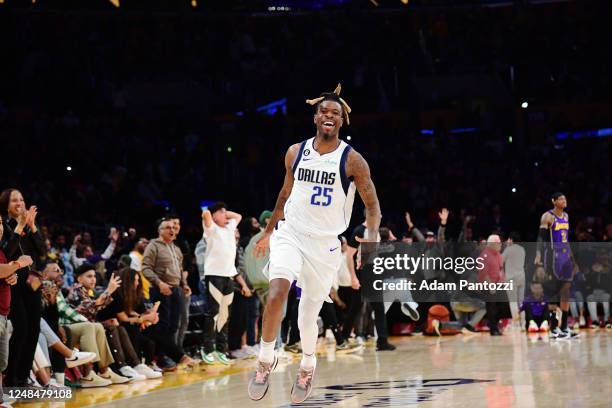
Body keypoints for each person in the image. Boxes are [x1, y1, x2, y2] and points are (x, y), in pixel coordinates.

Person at [248, 84, 382, 403]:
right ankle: (265, 359)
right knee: (278, 291)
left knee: (308, 316)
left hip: (324, 246)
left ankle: (308, 364)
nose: (329, 116)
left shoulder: (353, 160)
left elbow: (373, 206)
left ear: (341, 120)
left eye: (335, 113)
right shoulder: (295, 152)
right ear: (315, 116)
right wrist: (268, 232)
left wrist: (371, 241)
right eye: (324, 111)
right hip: (290, 233)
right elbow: (284, 195)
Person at [0, 189, 46, 389]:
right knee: (21, 329)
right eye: (14, 200)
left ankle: (24, 377)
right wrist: (19, 226)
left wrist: (33, 227)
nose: (19, 203)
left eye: (21, 199)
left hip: (32, 284)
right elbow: (7, 252)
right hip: (13, 285)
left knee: (34, 329)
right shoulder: (3, 225)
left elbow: (42, 254)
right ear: (6, 204)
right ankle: (11, 379)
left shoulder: (28, 226)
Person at [142, 219, 198, 370]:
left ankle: (168, 356)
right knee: (162, 327)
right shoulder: (153, 246)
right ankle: (163, 359)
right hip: (161, 289)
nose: (171, 230)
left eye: (173, 227)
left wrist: (184, 285)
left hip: (176, 290)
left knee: (174, 326)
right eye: (167, 228)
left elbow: (179, 270)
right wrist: (159, 283)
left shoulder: (176, 248)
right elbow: (146, 268)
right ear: (160, 231)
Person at [201, 203, 251, 365]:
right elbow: (206, 214)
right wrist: (213, 213)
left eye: (225, 212)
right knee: (213, 313)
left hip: (229, 276)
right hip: (214, 276)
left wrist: (224, 212)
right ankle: (207, 348)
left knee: (224, 314)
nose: (226, 215)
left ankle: (221, 349)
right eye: (221, 213)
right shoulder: (211, 230)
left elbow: (238, 217)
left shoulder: (230, 227)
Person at [100, 267, 162, 379]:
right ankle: (128, 365)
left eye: (138, 280)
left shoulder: (133, 294)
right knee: (129, 329)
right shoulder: (116, 293)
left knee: (149, 333)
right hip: (107, 324)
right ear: (128, 281)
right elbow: (123, 318)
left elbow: (133, 312)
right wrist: (144, 317)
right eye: (135, 280)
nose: (137, 283)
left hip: (118, 325)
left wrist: (149, 316)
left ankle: (140, 364)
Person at [534, 192, 579, 339]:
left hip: (565, 256)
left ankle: (564, 326)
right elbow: (541, 237)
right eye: (561, 199)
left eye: (565, 198)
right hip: (553, 256)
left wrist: (573, 260)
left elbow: (566, 240)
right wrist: (539, 256)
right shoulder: (548, 216)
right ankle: (553, 328)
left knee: (566, 291)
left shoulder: (566, 216)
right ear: (553, 201)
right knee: (553, 291)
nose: (564, 200)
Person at [1, 215, 33, 401]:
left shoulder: (2, 251)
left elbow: (4, 271)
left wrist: (11, 275)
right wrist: (19, 263)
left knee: (2, 362)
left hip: (4, 313)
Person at [478, 234, 507, 336]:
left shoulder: (498, 255)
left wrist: (502, 283)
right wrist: (491, 286)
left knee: (502, 306)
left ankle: (496, 325)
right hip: (487, 286)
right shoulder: (484, 255)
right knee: (491, 307)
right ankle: (493, 329)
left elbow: (500, 270)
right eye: (497, 242)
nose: (500, 244)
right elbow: (483, 273)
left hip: (498, 285)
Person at [502, 232, 526, 330]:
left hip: (511, 278)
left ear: (511, 239)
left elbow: (501, 260)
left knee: (513, 301)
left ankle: (516, 325)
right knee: (521, 301)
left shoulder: (508, 249)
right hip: (521, 277)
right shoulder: (522, 249)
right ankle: (523, 323)